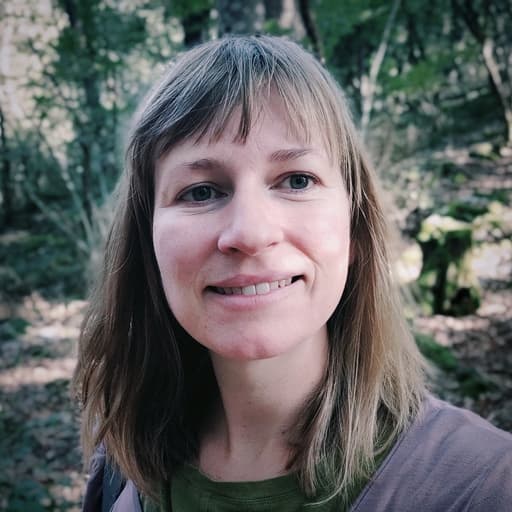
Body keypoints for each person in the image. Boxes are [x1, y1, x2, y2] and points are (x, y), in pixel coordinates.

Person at [74, 35, 512, 511]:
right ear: (148, 242)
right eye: (201, 191)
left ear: (355, 229)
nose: (250, 233)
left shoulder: (484, 487)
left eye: (297, 181)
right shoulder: (124, 467)